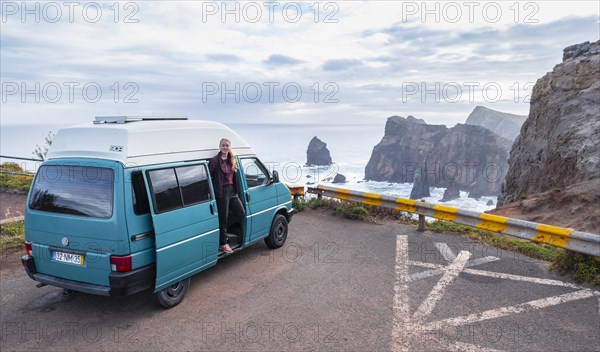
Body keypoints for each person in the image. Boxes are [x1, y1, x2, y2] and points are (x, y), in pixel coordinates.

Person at [208, 138, 245, 254]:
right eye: (223, 145)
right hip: (222, 191)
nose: (225, 147)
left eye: (227, 145)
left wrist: (236, 191)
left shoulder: (232, 160)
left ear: (229, 147)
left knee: (241, 212)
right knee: (223, 218)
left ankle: (222, 232)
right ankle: (223, 243)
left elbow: (234, 177)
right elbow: (208, 176)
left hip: (232, 191)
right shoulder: (214, 161)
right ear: (219, 147)